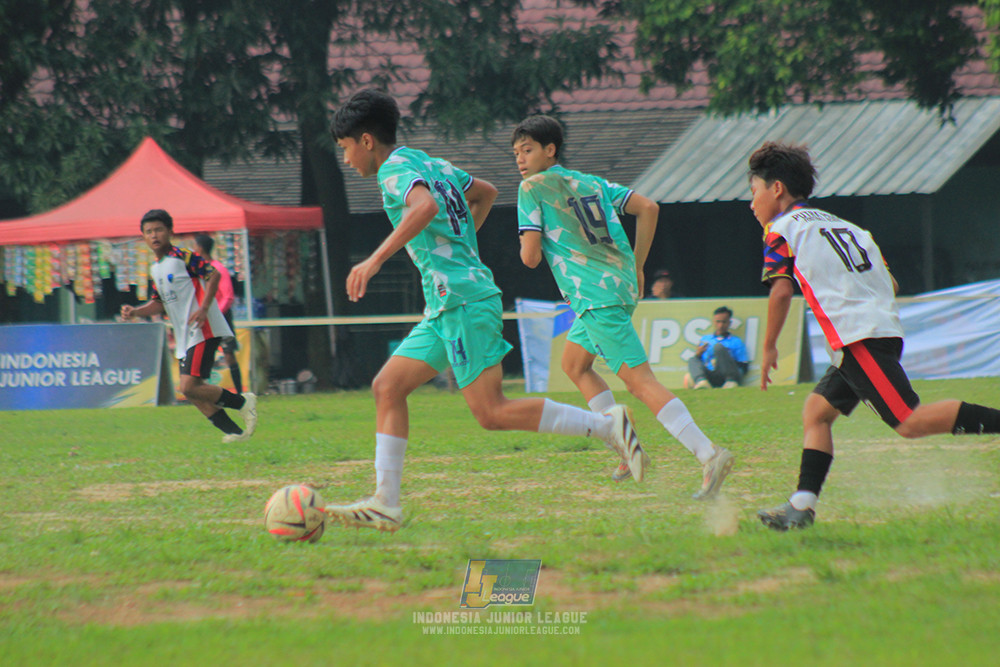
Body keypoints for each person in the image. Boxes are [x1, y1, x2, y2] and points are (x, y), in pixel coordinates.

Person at [324, 89, 647, 533]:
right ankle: (386, 503)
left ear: (365, 140)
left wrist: (374, 259)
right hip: (447, 303)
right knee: (387, 387)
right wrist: (459, 246)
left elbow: (425, 207)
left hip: (463, 301)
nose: (345, 160)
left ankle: (607, 427)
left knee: (491, 412)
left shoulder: (394, 171)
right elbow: (486, 192)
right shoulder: (429, 163)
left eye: (345, 149)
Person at [749, 141, 1000, 531]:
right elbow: (891, 283)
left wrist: (768, 347)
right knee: (816, 412)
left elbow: (781, 291)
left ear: (776, 188)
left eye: (754, 192)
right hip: (873, 332)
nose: (752, 203)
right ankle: (801, 506)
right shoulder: (849, 228)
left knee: (909, 421)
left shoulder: (780, 230)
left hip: (858, 338)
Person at [512, 114, 733, 498]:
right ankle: (626, 447)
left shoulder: (531, 188)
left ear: (550, 150)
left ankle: (708, 453)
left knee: (639, 381)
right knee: (574, 364)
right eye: (516, 152)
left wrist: (529, 240)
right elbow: (648, 207)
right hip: (619, 287)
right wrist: (638, 265)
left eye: (527, 150)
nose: (520, 159)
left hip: (594, 297)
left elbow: (530, 258)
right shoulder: (590, 182)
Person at [121, 210, 257, 444]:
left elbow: (213, 275)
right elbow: (158, 303)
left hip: (204, 327)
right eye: (149, 231)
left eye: (159, 230)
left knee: (189, 386)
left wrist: (204, 308)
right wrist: (135, 312)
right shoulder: (156, 268)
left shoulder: (183, 256)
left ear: (170, 231)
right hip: (185, 334)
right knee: (193, 391)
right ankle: (236, 434)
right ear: (143, 237)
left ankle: (244, 403)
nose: (154, 235)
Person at [194, 234, 244, 394]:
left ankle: (240, 392)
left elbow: (228, 296)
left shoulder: (219, 269)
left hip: (221, 317)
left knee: (228, 355)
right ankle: (203, 391)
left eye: (195, 246)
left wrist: (216, 314)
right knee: (203, 354)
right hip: (204, 317)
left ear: (200, 248)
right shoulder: (198, 270)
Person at [686, 306, 749, 389]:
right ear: (713, 322)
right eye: (718, 322)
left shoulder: (736, 341)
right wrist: (698, 354)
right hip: (711, 374)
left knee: (718, 348)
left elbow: (744, 366)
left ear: (729, 323)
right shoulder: (705, 339)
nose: (720, 325)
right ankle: (701, 382)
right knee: (692, 359)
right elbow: (699, 361)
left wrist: (728, 361)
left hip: (728, 375)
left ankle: (731, 381)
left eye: (724, 322)